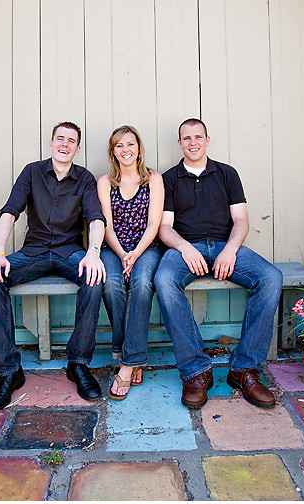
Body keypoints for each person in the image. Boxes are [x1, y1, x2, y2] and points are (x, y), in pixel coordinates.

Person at [155, 118, 283, 410]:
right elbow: (165, 227)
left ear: (207, 139)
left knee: (271, 277)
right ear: (179, 143)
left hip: (227, 246)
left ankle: (244, 369)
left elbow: (241, 220)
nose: (193, 142)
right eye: (186, 138)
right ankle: (196, 371)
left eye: (198, 137)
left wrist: (230, 250)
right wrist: (185, 248)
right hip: (186, 248)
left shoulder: (227, 173)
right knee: (163, 280)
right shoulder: (169, 179)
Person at [0, 121, 106, 412]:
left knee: (95, 278)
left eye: (71, 141)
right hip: (33, 253)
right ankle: (9, 372)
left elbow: (96, 218)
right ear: (51, 143)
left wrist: (94, 253)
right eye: (59, 139)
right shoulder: (32, 172)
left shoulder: (84, 179)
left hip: (69, 253)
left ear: (77, 147)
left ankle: (78, 364)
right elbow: (10, 212)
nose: (64, 144)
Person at [96, 125, 164, 400]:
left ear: (139, 148)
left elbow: (154, 223)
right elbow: (107, 226)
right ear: (113, 151)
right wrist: (123, 253)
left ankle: (127, 362)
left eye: (130, 144)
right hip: (113, 247)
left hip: (146, 247)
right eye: (119, 145)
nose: (126, 150)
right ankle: (129, 356)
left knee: (141, 283)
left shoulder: (153, 179)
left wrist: (135, 252)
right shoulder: (104, 182)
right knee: (111, 284)